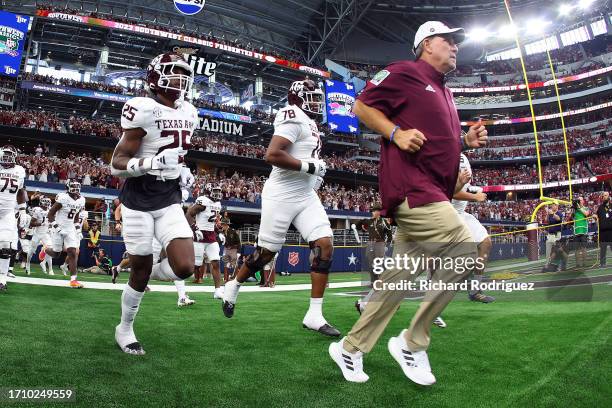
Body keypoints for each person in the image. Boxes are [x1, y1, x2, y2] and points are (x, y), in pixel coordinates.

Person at [328, 21, 488, 384]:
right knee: (464, 249)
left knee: (396, 282)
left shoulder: (445, 93)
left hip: (432, 190)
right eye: (449, 40)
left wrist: (464, 142)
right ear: (427, 44)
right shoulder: (404, 72)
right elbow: (360, 106)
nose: (456, 46)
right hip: (412, 191)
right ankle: (413, 342)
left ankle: (349, 348)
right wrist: (395, 133)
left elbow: (435, 144)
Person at [221, 79, 340, 337]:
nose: (317, 102)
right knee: (266, 253)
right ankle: (234, 284)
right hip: (281, 194)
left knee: (325, 244)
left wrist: (314, 173)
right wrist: (310, 167)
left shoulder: (309, 121)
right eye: (312, 96)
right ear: (297, 97)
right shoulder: (292, 114)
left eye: (318, 98)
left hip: (305, 194)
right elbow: (273, 155)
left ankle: (314, 314)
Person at [110, 52, 197, 355]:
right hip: (137, 200)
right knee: (140, 271)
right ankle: (125, 328)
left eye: (184, 74)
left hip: (169, 198)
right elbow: (117, 164)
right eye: (174, 73)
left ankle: (148, 269)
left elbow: (177, 153)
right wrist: (152, 162)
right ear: (155, 77)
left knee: (186, 265)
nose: (181, 80)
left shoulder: (190, 111)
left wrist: (182, 169)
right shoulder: (142, 108)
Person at [452, 154, 495, 304]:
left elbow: (463, 185)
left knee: (485, 243)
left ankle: (475, 289)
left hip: (460, 213)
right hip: (443, 212)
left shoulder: (463, 157)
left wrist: (472, 189)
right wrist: (474, 197)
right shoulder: (443, 153)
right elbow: (448, 190)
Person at [44, 180, 86, 288]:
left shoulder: (82, 200)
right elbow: (50, 215)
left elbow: (76, 217)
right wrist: (58, 229)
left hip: (70, 228)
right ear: (68, 188)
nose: (76, 190)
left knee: (73, 252)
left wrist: (78, 230)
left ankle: (73, 280)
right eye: (73, 187)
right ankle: (45, 250)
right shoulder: (63, 198)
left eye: (77, 187)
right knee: (56, 254)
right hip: (58, 227)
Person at [186, 184, 224, 299]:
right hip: (200, 237)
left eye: (218, 191)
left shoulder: (217, 204)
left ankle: (218, 290)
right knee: (194, 266)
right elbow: (188, 214)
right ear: (208, 191)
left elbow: (211, 221)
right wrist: (195, 228)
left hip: (211, 237)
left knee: (216, 263)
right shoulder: (203, 201)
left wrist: (218, 231)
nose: (218, 193)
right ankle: (181, 290)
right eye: (215, 191)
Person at [355, 203, 392, 314]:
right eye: (373, 210)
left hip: (380, 244)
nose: (374, 212)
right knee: (372, 268)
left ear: (379, 212)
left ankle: (380, 286)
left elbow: (389, 235)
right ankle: (375, 284)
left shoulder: (385, 222)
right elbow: (358, 226)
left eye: (375, 210)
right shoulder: (368, 221)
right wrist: (360, 225)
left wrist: (387, 245)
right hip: (370, 244)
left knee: (378, 266)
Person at [0, 146, 28, 292]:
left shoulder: (20, 170)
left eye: (9, 156)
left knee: (6, 246)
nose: (6, 159)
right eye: (4, 156)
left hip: (7, 212)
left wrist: (23, 210)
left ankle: (2, 280)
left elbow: (21, 191)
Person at [28, 196, 53, 274]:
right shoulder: (37, 210)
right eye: (45, 203)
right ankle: (28, 263)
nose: (46, 205)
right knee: (31, 251)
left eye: (48, 203)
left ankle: (48, 267)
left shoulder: (51, 210)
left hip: (46, 233)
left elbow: (52, 220)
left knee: (50, 249)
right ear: (41, 203)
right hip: (37, 233)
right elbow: (31, 223)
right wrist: (41, 224)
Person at [220, 217, 241, 282]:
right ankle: (226, 279)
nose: (222, 226)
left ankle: (237, 279)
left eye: (223, 224)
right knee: (226, 264)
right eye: (222, 224)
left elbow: (238, 242)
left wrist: (238, 252)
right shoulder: (221, 232)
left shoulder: (233, 231)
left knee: (234, 265)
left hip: (233, 249)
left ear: (226, 225)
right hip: (226, 249)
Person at [572, 197, 590, 268]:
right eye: (578, 200)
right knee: (576, 249)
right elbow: (572, 217)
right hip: (576, 231)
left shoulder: (586, 208)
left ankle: (584, 263)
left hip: (583, 230)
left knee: (584, 248)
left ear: (583, 201)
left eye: (580, 200)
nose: (579, 201)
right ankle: (577, 264)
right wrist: (574, 208)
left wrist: (579, 208)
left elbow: (586, 214)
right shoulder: (575, 210)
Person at [596, 191, 611, 268]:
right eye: (603, 196)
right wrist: (595, 216)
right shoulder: (600, 207)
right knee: (603, 249)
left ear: (608, 196)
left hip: (611, 231)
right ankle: (602, 263)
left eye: (605, 195)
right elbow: (596, 215)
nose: (604, 197)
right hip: (602, 232)